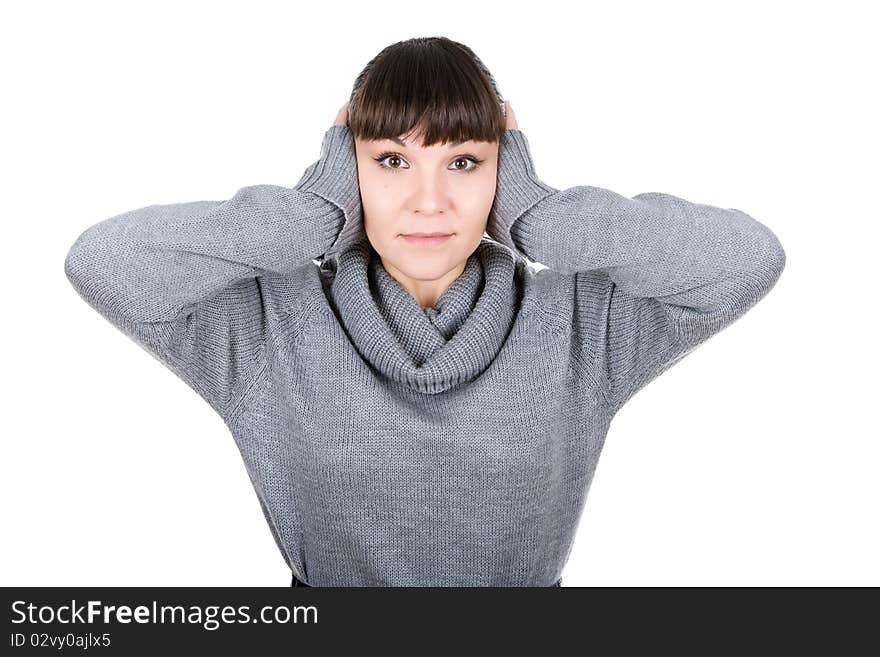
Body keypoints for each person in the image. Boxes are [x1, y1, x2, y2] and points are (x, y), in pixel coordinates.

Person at [63, 36, 786, 587]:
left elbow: (748, 259)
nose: (429, 202)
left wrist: (541, 217)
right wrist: (313, 213)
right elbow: (102, 262)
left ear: (505, 168)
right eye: (391, 161)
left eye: (464, 163)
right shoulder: (266, 322)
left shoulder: (579, 322)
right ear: (349, 168)